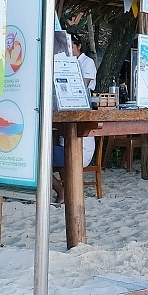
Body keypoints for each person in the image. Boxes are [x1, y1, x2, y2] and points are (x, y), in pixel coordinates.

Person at [52, 34, 98, 203]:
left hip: (79, 149)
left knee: (40, 158)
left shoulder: (87, 63)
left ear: (79, 46)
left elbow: (81, 85)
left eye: (71, 47)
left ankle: (61, 191)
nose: (68, 51)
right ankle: (62, 189)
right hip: (69, 140)